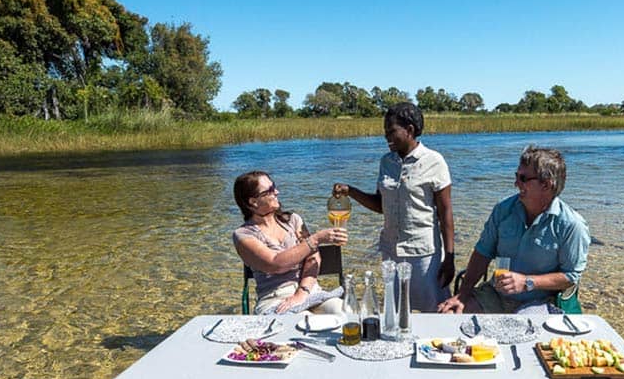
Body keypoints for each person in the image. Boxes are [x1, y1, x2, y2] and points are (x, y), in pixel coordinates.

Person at [333, 101, 456, 311]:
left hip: (423, 252)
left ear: (409, 130)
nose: (386, 137)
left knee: (433, 310)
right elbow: (381, 205)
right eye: (385, 131)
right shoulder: (386, 162)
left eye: (391, 131)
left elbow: (445, 214)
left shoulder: (434, 161)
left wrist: (450, 257)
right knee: (397, 310)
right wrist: (351, 191)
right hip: (391, 250)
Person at [438, 146, 589, 315]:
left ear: (546, 185)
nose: (516, 183)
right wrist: (463, 294)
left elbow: (570, 276)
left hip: (540, 300)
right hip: (496, 295)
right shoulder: (503, 210)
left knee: (522, 328)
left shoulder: (572, 225)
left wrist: (527, 282)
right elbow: (483, 253)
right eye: (516, 176)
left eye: (523, 178)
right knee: (450, 315)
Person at [231, 171, 348, 315]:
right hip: (275, 299)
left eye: (274, 186)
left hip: (310, 291)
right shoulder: (243, 235)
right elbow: (275, 264)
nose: (277, 192)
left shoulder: (293, 220)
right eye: (270, 190)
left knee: (344, 310)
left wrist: (302, 292)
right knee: (303, 321)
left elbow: (313, 257)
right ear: (253, 202)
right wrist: (316, 239)